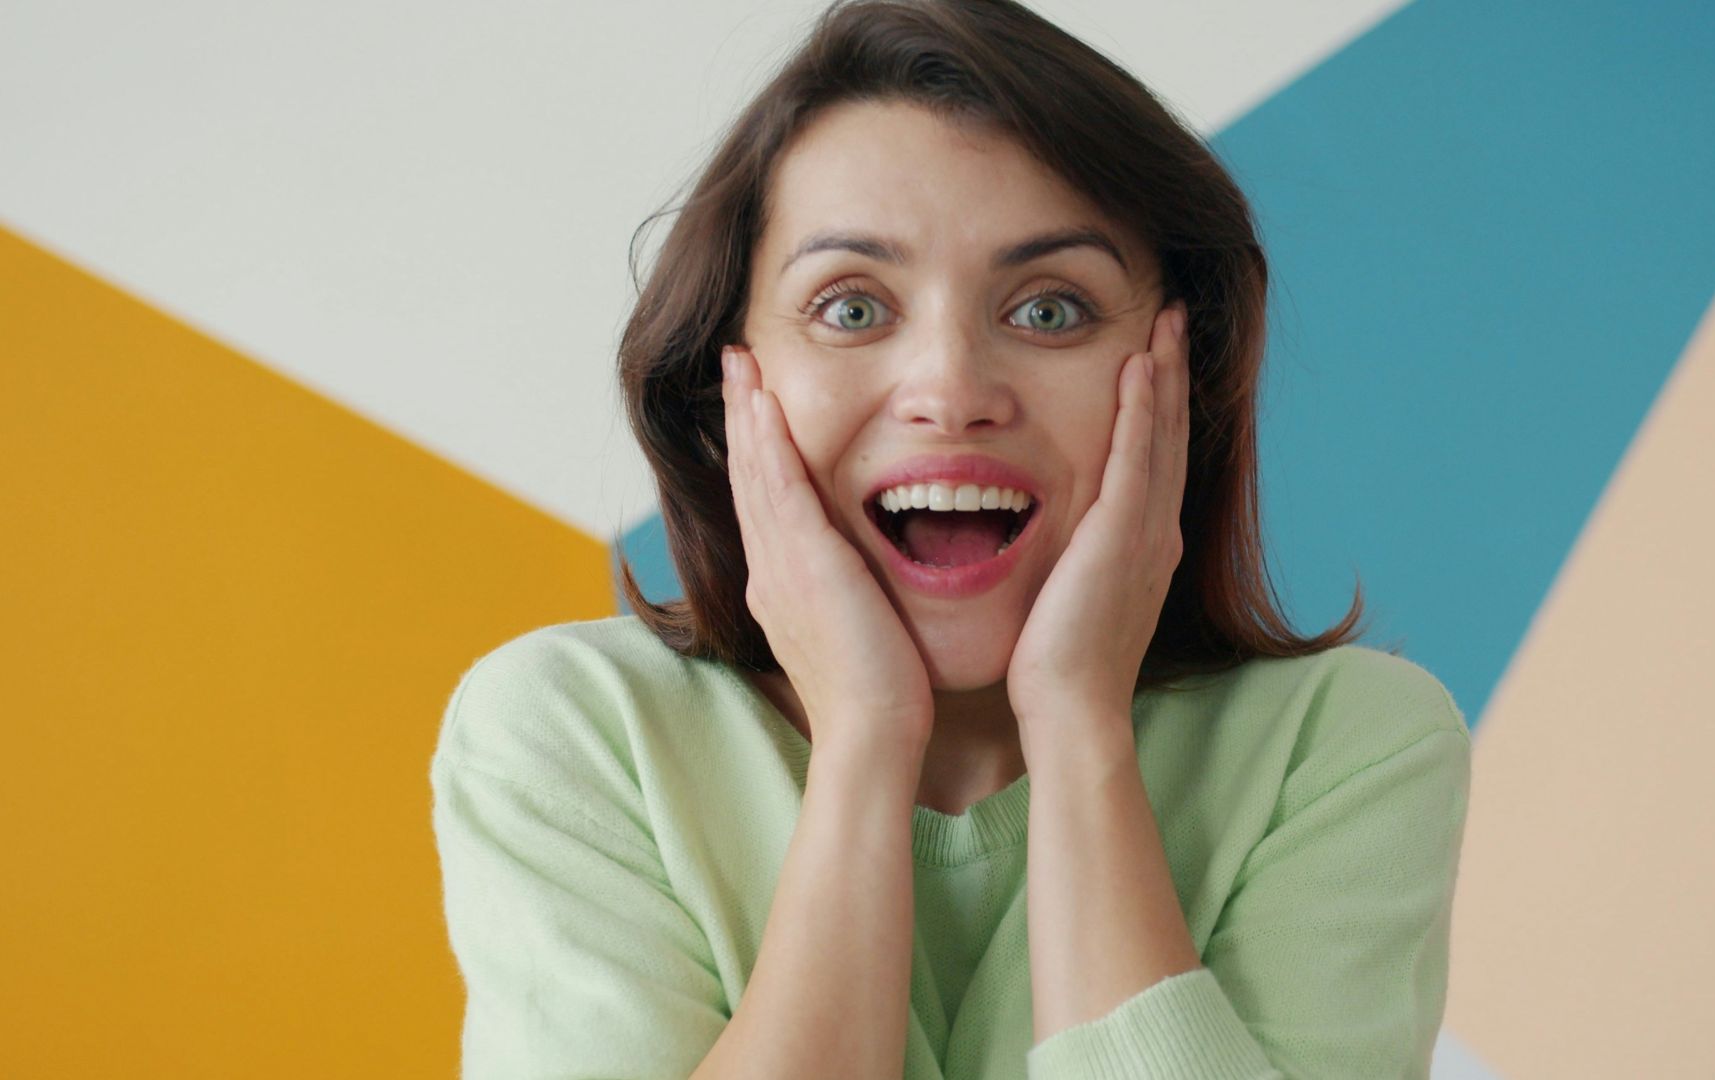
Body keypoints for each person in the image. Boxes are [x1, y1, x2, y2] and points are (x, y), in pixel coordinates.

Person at [429, 1, 1473, 1077]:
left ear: (1183, 375)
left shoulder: (1344, 751)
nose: (952, 390)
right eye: (851, 308)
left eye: (1050, 310)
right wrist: (865, 739)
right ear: (723, 384)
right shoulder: (576, 736)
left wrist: (1079, 727)